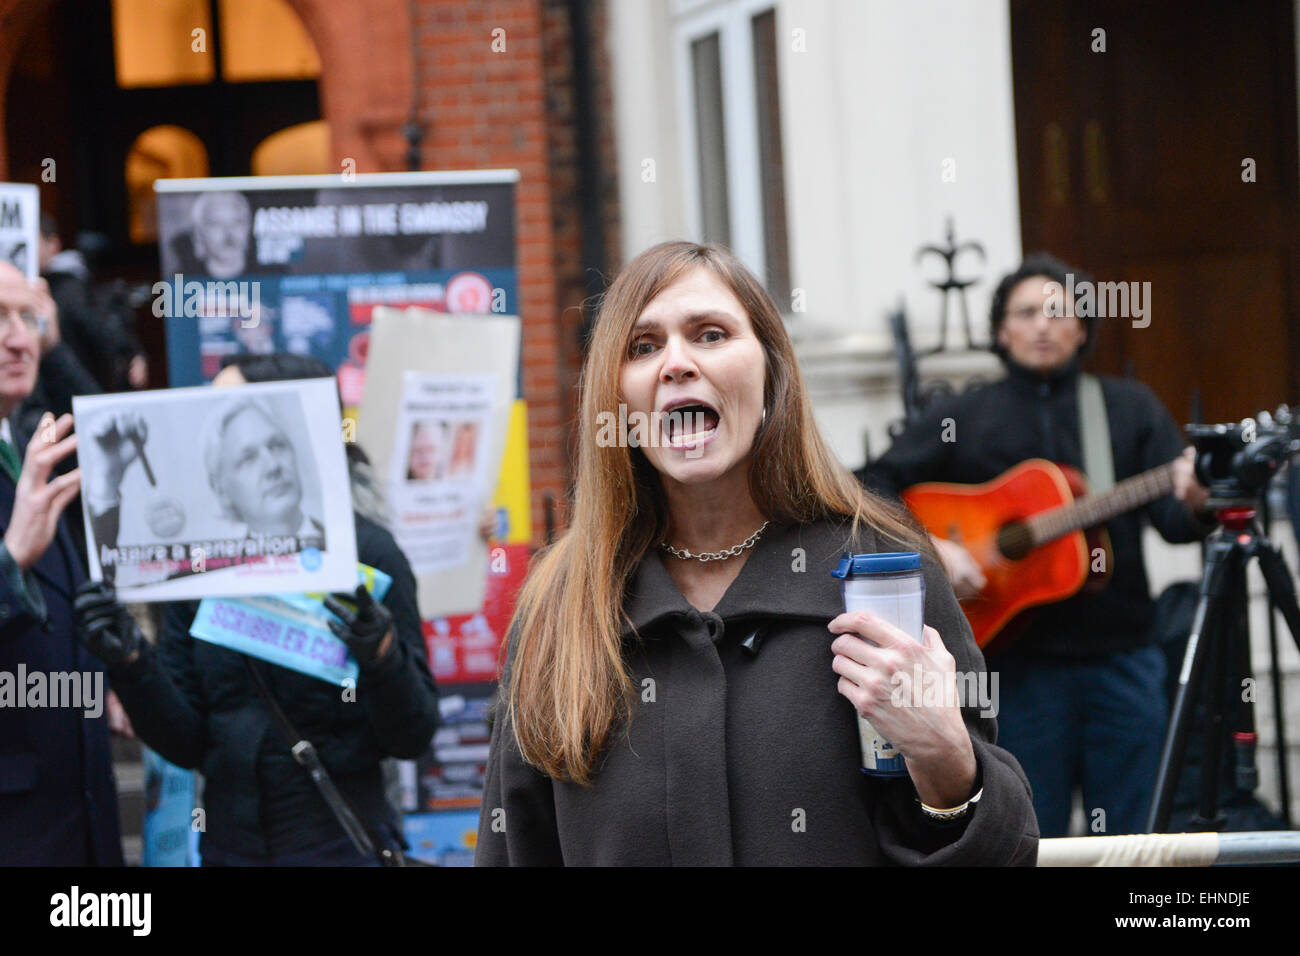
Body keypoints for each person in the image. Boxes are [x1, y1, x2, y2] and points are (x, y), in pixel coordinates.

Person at [475, 241, 1038, 866]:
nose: (676, 363)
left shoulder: (884, 574)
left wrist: (946, 760)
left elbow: (999, 853)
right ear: (618, 401)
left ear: (772, 376)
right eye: (643, 346)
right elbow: (514, 848)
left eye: (710, 334)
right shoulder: (564, 603)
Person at [860, 253, 1212, 837]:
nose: (1044, 325)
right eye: (1027, 312)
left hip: (1122, 658)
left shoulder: (1128, 408)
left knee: (1135, 835)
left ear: (1081, 327)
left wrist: (1199, 498)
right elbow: (867, 484)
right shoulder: (963, 415)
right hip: (1015, 670)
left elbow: (1175, 521)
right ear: (1002, 330)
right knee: (1025, 832)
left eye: (1059, 311)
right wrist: (933, 549)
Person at [74, 352, 440, 865]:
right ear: (221, 482)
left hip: (340, 843)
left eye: (277, 445)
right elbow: (186, 742)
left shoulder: (369, 555)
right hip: (231, 846)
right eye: (245, 457)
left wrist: (380, 657)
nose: (268, 465)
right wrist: (133, 665)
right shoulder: (200, 571)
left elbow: (414, 734)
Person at [0, 261, 123, 865]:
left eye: (27, 317)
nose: (20, 338)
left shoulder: (26, 450)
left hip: (77, 827)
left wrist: (101, 677)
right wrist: (8, 562)